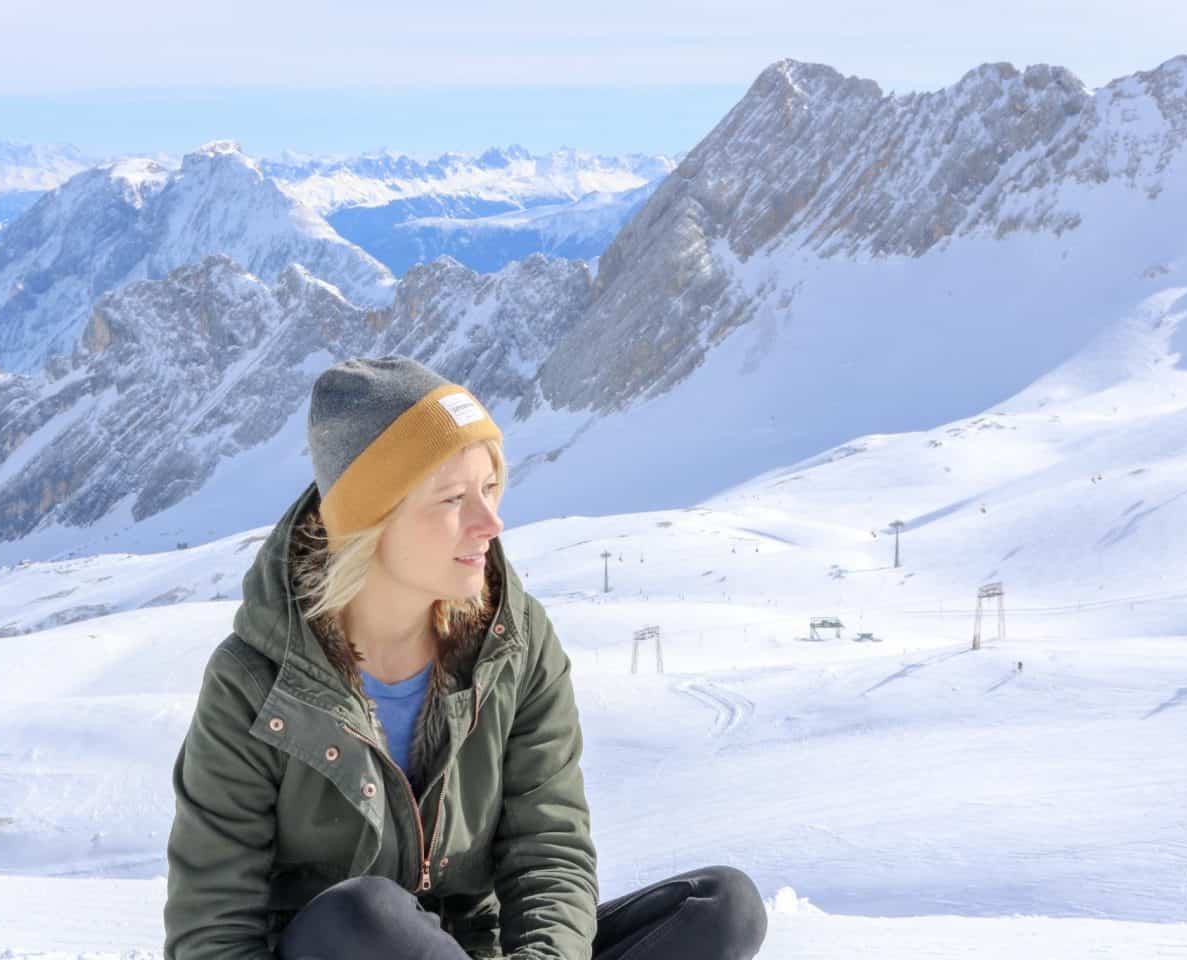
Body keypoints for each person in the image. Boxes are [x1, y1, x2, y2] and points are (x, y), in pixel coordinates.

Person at [163, 355, 768, 959]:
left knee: (720, 907)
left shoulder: (516, 642)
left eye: (490, 488)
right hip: (346, 949)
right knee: (363, 914)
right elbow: (211, 931)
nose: (490, 522)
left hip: (478, 950)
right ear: (372, 521)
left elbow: (549, 851)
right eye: (453, 498)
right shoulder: (254, 683)